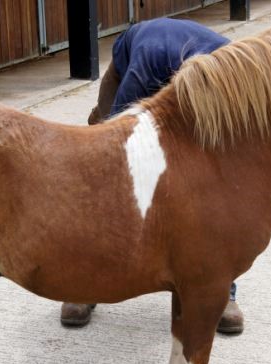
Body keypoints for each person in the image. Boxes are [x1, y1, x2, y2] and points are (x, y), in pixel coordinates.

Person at [60, 18, 245, 335]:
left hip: (188, 74)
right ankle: (83, 286)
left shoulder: (233, 75)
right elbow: (118, 144)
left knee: (213, 196)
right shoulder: (143, 67)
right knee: (107, 171)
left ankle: (221, 291)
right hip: (143, 59)